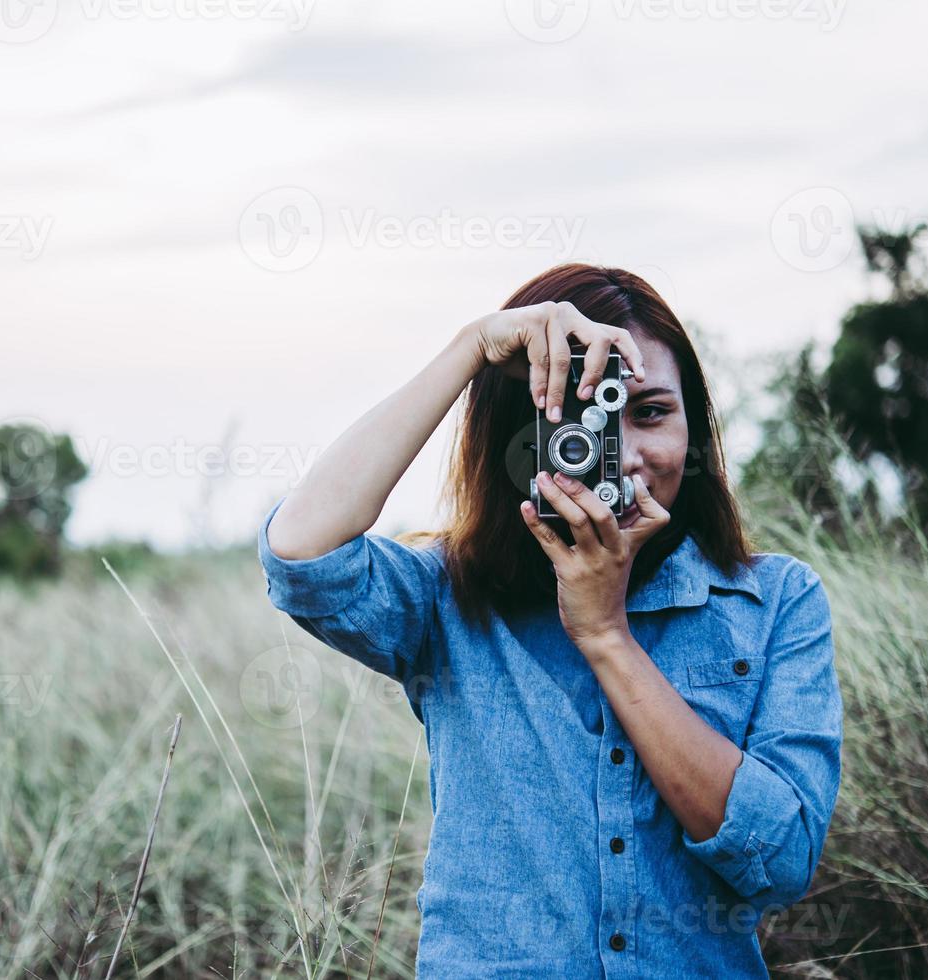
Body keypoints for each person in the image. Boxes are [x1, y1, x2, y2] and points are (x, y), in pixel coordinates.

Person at [256, 263, 844, 978]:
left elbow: (779, 861)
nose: (622, 456)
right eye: (580, 423)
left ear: (694, 427)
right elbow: (301, 553)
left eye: (651, 412)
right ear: (522, 439)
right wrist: (470, 348)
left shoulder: (776, 602)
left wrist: (606, 636)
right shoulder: (447, 594)